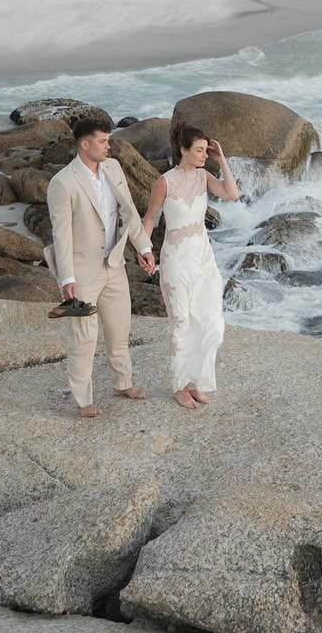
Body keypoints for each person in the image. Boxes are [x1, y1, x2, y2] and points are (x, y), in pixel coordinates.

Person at [45, 124, 157, 419]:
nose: (109, 146)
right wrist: (66, 277)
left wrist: (143, 248)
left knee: (120, 329)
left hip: (115, 264)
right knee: (83, 337)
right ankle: (83, 402)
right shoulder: (63, 183)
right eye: (103, 141)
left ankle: (123, 384)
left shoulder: (114, 168)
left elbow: (130, 213)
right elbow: (61, 234)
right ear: (85, 145)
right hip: (82, 273)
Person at [143, 127, 238, 409]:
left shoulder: (204, 176)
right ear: (183, 150)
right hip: (176, 259)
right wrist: (145, 250)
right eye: (199, 150)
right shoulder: (165, 182)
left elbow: (232, 194)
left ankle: (196, 381)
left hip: (203, 258)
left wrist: (222, 160)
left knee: (210, 321)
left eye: (206, 150)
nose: (203, 155)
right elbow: (149, 219)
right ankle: (180, 386)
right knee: (182, 321)